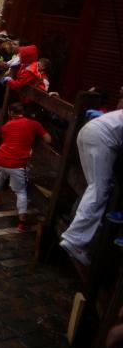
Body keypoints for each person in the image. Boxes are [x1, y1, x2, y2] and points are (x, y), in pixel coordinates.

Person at [60, 103, 123, 269]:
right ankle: (75, 239)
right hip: (101, 137)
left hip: (91, 131)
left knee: (95, 188)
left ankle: (81, 233)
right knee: (99, 190)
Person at [0, 102, 52, 230]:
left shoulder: (6, 126)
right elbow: (48, 139)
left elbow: (8, 140)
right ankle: (21, 222)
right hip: (16, 164)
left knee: (1, 173)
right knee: (21, 192)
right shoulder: (34, 124)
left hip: (0, 160)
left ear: (10, 113)